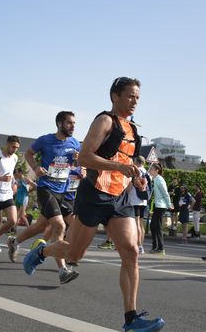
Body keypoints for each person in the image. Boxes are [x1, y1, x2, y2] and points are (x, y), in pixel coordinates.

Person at [21, 77, 165, 331]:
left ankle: (131, 318)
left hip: (119, 197)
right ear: (115, 96)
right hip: (94, 194)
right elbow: (85, 157)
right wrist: (118, 166)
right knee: (75, 254)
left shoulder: (133, 130)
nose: (134, 102)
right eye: (130, 96)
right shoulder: (104, 121)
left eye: (138, 98)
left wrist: (136, 181)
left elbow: (126, 167)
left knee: (131, 250)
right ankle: (42, 251)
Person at [6, 111, 81, 284]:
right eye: (69, 123)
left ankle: (14, 241)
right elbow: (28, 154)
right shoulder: (45, 140)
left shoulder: (75, 143)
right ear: (60, 123)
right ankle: (62, 270)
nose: (73, 126)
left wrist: (80, 165)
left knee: (41, 226)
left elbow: (79, 163)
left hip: (63, 192)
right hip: (46, 189)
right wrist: (35, 167)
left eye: (74, 123)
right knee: (59, 225)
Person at [126, 156, 150, 253]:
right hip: (143, 200)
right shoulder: (147, 172)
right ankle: (141, 245)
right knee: (141, 224)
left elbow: (130, 186)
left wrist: (125, 192)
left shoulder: (136, 171)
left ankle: (138, 245)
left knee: (136, 224)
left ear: (137, 162)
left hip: (135, 199)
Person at [149, 163, 172, 254]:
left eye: (151, 169)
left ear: (156, 170)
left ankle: (161, 248)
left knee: (157, 226)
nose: (150, 170)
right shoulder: (155, 179)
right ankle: (155, 246)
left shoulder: (160, 180)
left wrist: (169, 204)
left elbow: (165, 193)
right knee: (153, 226)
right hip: (157, 205)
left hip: (161, 206)